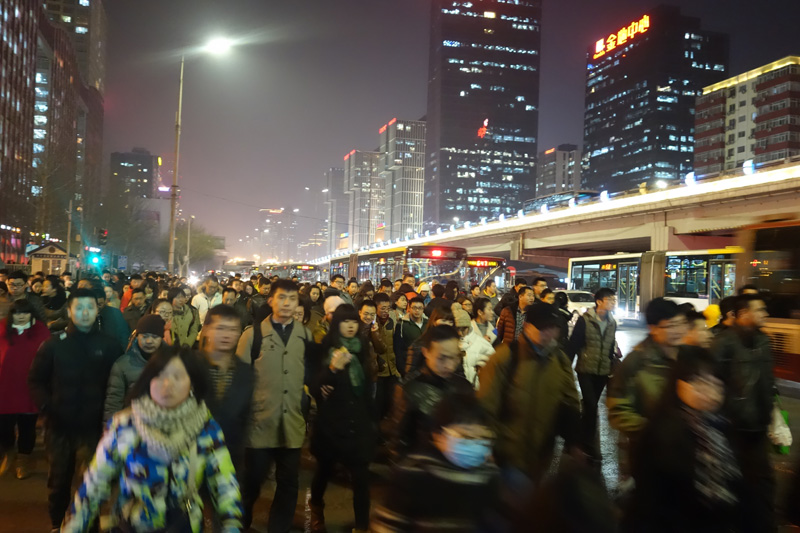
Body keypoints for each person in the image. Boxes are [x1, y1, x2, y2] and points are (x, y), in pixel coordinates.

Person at [60, 344, 243, 533]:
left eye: (177, 377)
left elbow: (224, 482)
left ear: (192, 385)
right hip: (132, 525)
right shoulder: (125, 425)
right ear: (148, 381)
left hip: (183, 526)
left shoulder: (206, 428)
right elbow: (95, 482)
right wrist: (74, 526)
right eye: (159, 375)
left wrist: (232, 525)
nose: (166, 385)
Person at [28, 288, 123, 532]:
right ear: (69, 310)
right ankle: (56, 523)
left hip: (93, 429)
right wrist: (48, 407)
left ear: (97, 309)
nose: (84, 313)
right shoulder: (53, 344)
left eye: (89, 307)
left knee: (92, 483)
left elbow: (119, 385)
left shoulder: (110, 346)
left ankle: (87, 525)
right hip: (59, 428)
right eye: (78, 308)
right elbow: (36, 380)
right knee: (58, 482)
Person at [627, 349, 741, 532]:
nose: (710, 392)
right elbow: (651, 504)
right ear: (679, 384)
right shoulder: (662, 433)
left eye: (716, 384)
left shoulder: (720, 427)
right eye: (700, 382)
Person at [235, 279, 311, 532]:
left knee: (288, 483)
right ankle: (241, 522)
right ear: (271, 300)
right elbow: (239, 379)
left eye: (292, 298)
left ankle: (279, 527)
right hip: (260, 423)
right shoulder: (252, 335)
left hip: (292, 423)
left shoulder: (305, 334)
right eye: (282, 298)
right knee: (253, 482)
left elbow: (309, 373)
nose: (287, 303)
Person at [478, 303, 581, 484]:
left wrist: (574, 442)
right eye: (543, 328)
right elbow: (485, 407)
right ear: (526, 327)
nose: (549, 333)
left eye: (553, 328)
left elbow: (570, 402)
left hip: (541, 458)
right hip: (507, 459)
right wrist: (488, 450)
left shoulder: (559, 360)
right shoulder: (504, 358)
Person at [371, 393, 499, 532]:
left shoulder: (488, 474)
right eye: (464, 435)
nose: (473, 443)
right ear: (437, 434)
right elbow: (388, 526)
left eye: (480, 436)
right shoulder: (414, 472)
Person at [711, 293, 776, 533]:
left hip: (758, 426)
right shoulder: (724, 342)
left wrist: (770, 411)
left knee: (764, 482)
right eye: (760, 310)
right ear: (743, 314)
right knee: (737, 483)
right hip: (733, 428)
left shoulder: (763, 341)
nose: (765, 315)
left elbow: (767, 381)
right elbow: (713, 381)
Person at [309, 305, 376, 533]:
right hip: (331, 426)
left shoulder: (363, 349)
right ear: (336, 323)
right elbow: (317, 389)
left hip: (357, 424)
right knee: (324, 471)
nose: (350, 326)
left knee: (361, 479)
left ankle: (362, 526)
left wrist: (371, 422)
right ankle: (316, 508)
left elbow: (368, 389)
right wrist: (332, 369)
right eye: (345, 321)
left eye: (353, 322)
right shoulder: (325, 348)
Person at [606, 298, 688, 475]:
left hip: (685, 454)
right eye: (671, 325)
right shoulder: (636, 362)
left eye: (681, 324)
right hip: (650, 456)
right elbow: (618, 410)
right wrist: (655, 431)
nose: (678, 331)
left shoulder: (689, 357)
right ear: (653, 328)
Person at [390, 325, 473, 461]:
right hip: (425, 468)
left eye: (454, 357)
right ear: (426, 352)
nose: (449, 365)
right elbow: (400, 442)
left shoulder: (464, 386)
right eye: (442, 358)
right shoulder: (410, 390)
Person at [0, 299, 51, 479]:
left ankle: (24, 458)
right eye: (17, 313)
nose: (21, 317)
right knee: (4, 426)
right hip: (5, 388)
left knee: (27, 427)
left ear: (31, 314)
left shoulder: (40, 331)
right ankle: (9, 451)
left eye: (25, 313)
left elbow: (48, 358)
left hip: (30, 388)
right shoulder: (2, 329)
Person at [199, 304, 253, 474]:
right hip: (190, 457)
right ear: (206, 329)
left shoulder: (246, 373)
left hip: (229, 459)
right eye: (221, 328)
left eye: (233, 330)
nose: (227, 335)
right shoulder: (189, 366)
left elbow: (246, 419)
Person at [566, 287, 618, 462]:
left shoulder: (612, 322)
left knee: (590, 406)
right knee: (591, 405)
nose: (613, 302)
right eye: (610, 299)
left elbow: (611, 346)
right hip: (585, 369)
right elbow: (574, 344)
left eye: (613, 299)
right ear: (599, 301)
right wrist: (566, 366)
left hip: (602, 371)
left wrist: (611, 363)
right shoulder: (585, 320)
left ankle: (574, 439)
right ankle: (588, 445)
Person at [104, 314, 166, 420]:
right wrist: (111, 430)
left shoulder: (173, 363)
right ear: (137, 336)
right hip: (133, 426)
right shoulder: (122, 365)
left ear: (161, 338)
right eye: (144, 336)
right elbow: (113, 404)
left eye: (155, 337)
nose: (149, 341)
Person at [373, 293, 401, 423]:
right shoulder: (372, 325)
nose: (385, 311)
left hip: (392, 368)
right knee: (378, 403)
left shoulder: (392, 321)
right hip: (378, 370)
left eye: (387, 308)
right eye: (382, 308)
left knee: (390, 402)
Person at [456, 308, 494, 390]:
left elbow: (494, 367)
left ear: (468, 327)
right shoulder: (450, 344)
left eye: (463, 329)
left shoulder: (482, 343)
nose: (460, 332)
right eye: (457, 329)